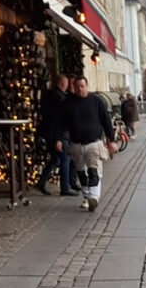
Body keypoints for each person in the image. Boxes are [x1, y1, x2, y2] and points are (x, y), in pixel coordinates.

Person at [64, 76, 117, 212]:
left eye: (82, 86)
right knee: (81, 172)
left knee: (94, 169)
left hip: (94, 142)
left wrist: (111, 140)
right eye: (77, 87)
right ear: (74, 88)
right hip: (76, 143)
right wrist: (59, 138)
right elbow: (62, 122)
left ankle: (94, 197)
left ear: (87, 86)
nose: (80, 89)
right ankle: (87, 197)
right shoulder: (69, 103)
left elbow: (106, 121)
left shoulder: (96, 101)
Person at [37, 75, 77, 196]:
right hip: (58, 134)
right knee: (65, 158)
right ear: (63, 85)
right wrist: (59, 138)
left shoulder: (48, 96)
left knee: (56, 159)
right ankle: (65, 187)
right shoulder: (60, 98)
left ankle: (41, 182)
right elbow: (60, 119)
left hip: (48, 132)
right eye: (67, 84)